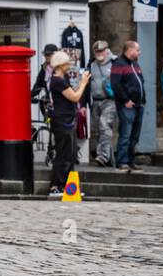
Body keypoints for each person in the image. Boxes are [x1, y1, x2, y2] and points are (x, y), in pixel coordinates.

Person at [47, 51, 91, 196]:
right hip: (62, 121)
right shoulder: (57, 81)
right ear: (61, 64)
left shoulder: (63, 78)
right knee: (63, 154)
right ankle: (56, 186)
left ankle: (69, 187)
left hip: (67, 120)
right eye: (67, 63)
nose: (69, 65)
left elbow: (72, 93)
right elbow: (75, 97)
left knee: (71, 154)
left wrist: (79, 84)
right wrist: (84, 82)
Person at [110, 40, 145, 172]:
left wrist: (143, 100)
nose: (139, 52)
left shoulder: (135, 64)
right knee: (125, 133)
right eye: (138, 50)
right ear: (130, 50)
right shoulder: (119, 64)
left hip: (139, 105)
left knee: (134, 135)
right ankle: (122, 161)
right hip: (127, 106)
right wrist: (125, 100)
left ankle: (131, 160)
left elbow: (140, 82)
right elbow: (116, 85)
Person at [87, 41, 116, 167]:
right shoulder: (91, 64)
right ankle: (107, 158)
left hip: (110, 101)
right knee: (97, 130)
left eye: (101, 51)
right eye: (96, 51)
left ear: (107, 50)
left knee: (104, 125)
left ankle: (103, 156)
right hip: (95, 101)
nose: (99, 54)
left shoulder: (115, 63)